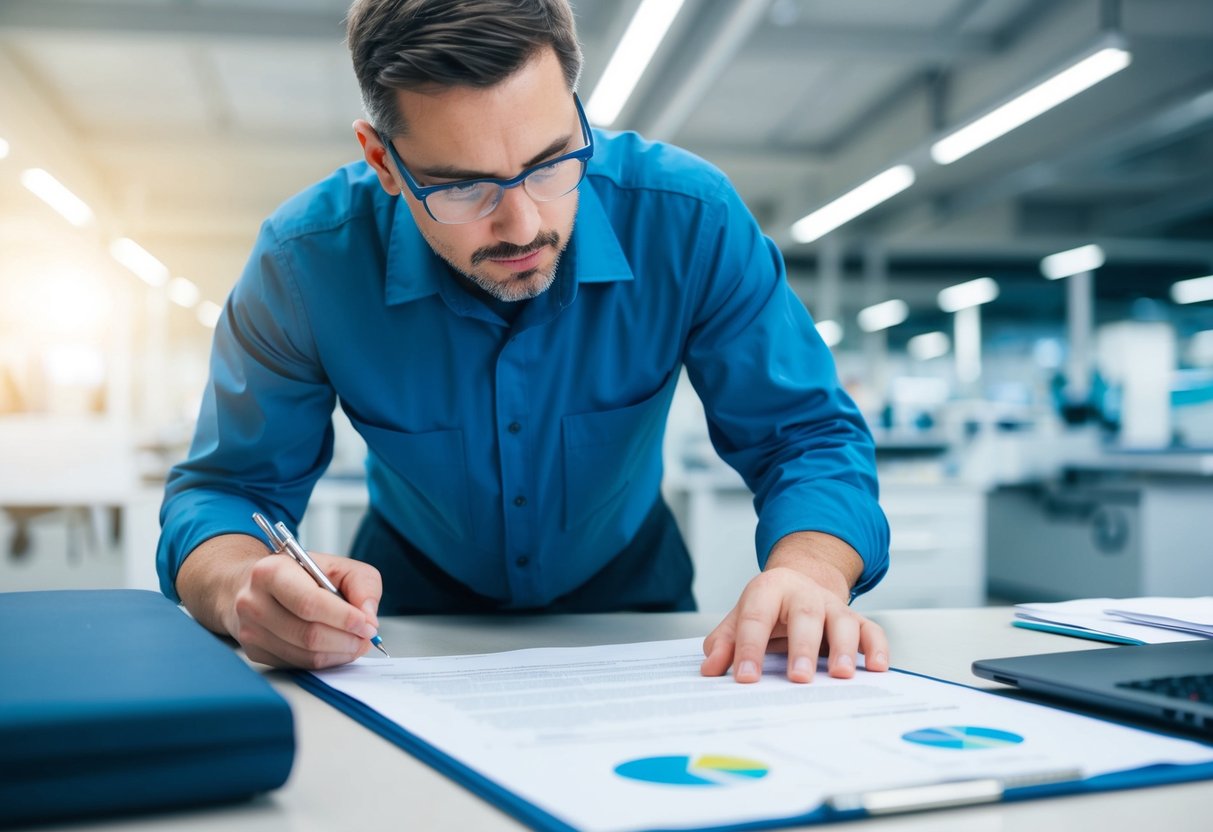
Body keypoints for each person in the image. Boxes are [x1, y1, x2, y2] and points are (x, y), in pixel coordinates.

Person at [157, 0, 891, 683]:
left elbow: (805, 436)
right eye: (462, 188)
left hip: (636, 596)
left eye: (550, 162)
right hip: (400, 618)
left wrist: (812, 570)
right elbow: (228, 490)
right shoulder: (305, 261)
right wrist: (238, 590)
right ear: (382, 161)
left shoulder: (688, 220)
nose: (522, 224)